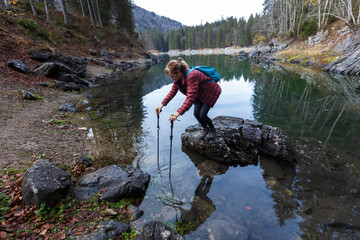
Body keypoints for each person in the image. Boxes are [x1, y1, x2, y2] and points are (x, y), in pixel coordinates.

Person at [156, 57, 222, 140]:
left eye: (172, 76)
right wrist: (162, 105)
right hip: (198, 93)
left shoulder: (191, 75)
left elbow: (190, 98)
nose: (172, 78)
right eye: (170, 76)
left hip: (210, 92)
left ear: (178, 72)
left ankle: (212, 130)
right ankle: (205, 129)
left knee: (203, 114)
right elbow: (172, 93)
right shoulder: (177, 79)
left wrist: (177, 114)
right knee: (196, 114)